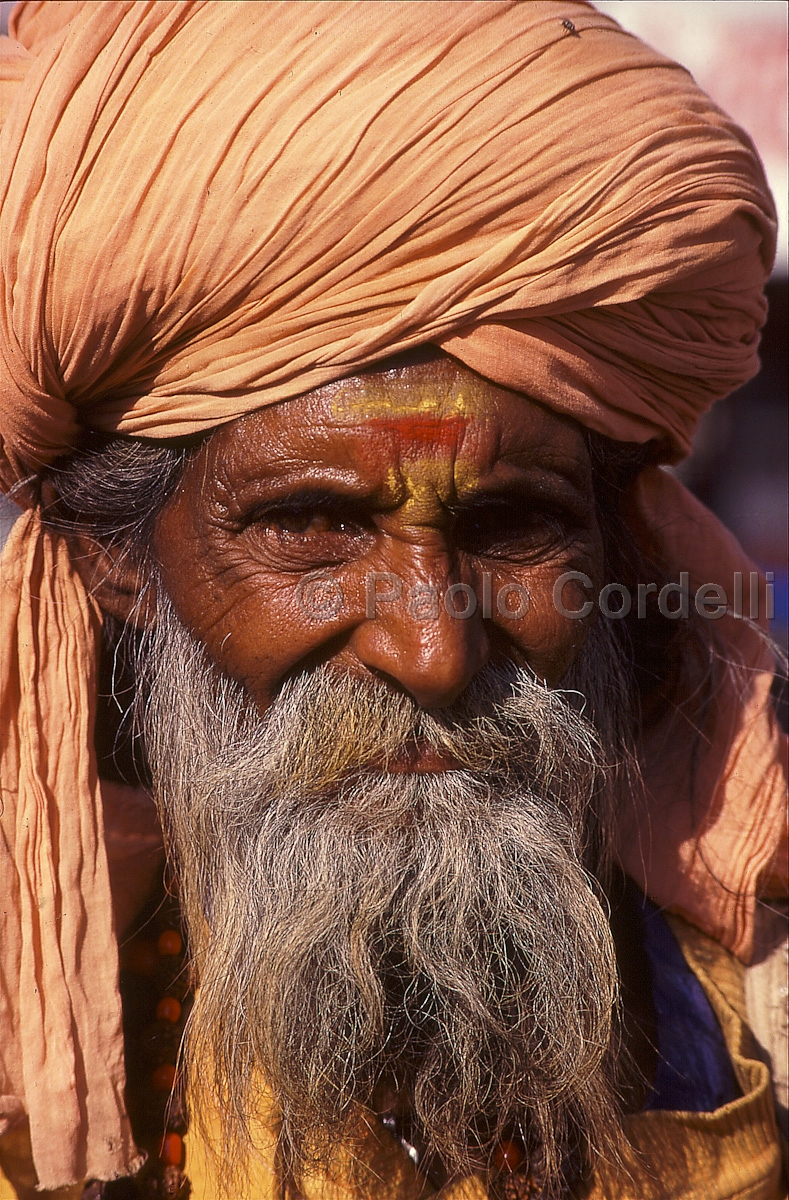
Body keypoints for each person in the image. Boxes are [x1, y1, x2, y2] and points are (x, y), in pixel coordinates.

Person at [0, 3, 785, 1198]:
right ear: (122, 565)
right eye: (312, 530)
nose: (433, 647)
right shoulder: (46, 1006)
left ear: (616, 539)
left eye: (510, 525)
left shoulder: (755, 986)